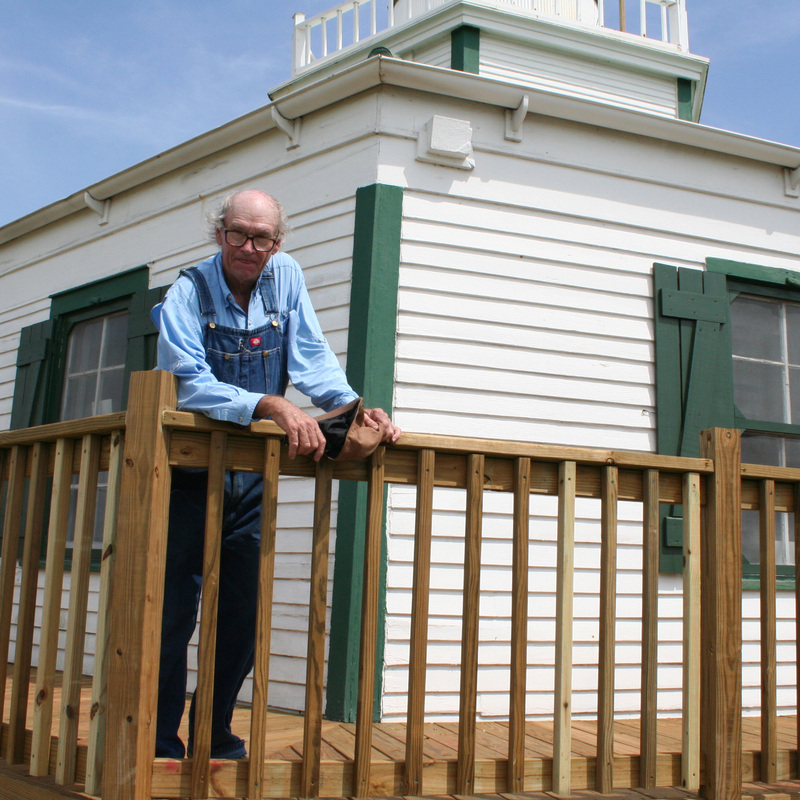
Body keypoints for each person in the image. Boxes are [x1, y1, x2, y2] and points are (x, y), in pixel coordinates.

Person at [151, 189, 400, 759]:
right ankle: (161, 738)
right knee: (171, 611)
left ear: (277, 242)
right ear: (220, 234)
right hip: (186, 475)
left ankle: (212, 732)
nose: (248, 247)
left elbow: (312, 358)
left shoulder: (285, 276)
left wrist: (356, 410)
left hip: (251, 477)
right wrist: (270, 405)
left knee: (242, 612)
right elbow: (187, 381)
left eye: (261, 237)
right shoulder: (187, 291)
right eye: (237, 233)